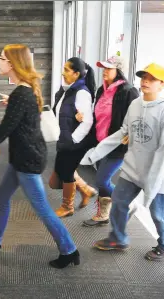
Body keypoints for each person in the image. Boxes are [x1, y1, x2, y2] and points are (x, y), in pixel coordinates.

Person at [0, 44, 80, 269]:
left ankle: (69, 250)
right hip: (23, 156)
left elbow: (6, 128)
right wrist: (11, 104)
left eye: (1, 59)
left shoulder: (22, 92)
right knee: (2, 198)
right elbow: (22, 116)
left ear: (12, 63)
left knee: (41, 207)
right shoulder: (23, 90)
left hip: (27, 159)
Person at [91, 63, 164, 261]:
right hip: (132, 167)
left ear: (161, 84)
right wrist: (96, 152)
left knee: (158, 212)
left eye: (152, 78)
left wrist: (153, 181)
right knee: (119, 203)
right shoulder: (135, 104)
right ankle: (118, 238)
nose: (146, 81)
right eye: (144, 77)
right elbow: (125, 130)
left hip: (155, 171)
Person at [79, 56, 139, 227]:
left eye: (109, 68)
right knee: (101, 180)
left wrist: (131, 137)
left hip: (117, 145)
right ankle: (103, 213)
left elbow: (135, 119)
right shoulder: (101, 90)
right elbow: (97, 116)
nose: (104, 71)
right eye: (103, 68)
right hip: (100, 143)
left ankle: (126, 204)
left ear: (118, 71)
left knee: (101, 180)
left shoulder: (128, 91)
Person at [50, 57, 96, 218]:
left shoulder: (81, 93)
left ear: (76, 74)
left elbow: (87, 121)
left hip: (73, 142)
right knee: (57, 178)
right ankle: (85, 190)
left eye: (67, 70)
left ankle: (67, 207)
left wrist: (72, 139)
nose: (63, 73)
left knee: (66, 173)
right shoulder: (67, 90)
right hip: (64, 138)